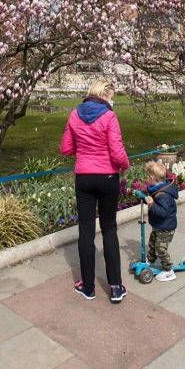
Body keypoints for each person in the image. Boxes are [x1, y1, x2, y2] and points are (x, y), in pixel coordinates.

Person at [60, 79, 130, 303]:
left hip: (84, 178)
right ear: (105, 95)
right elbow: (117, 152)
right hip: (108, 177)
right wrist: (125, 166)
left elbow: (66, 148)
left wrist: (85, 149)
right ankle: (116, 287)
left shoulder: (74, 115)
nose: (113, 101)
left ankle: (88, 286)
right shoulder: (109, 116)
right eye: (112, 97)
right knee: (109, 229)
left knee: (86, 231)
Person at [142, 160, 179, 282]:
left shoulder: (164, 195)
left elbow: (163, 212)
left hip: (166, 227)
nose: (146, 177)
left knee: (160, 248)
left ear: (152, 177)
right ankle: (150, 260)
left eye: (148, 175)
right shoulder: (156, 188)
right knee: (152, 243)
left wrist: (152, 204)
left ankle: (168, 271)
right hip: (159, 226)